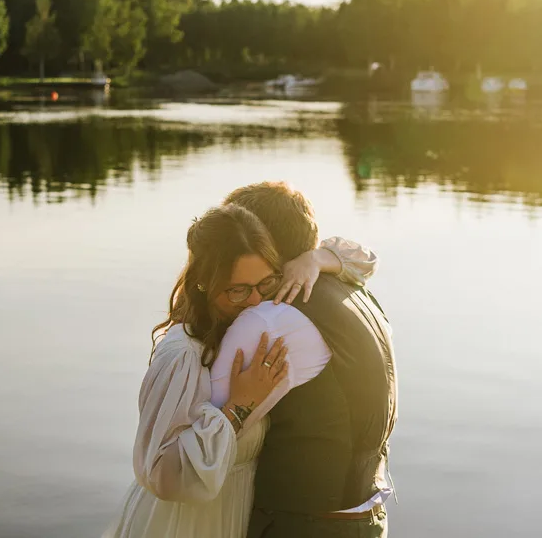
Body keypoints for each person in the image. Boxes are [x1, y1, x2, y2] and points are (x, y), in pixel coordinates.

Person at [103, 202, 377, 538]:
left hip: (233, 513)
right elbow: (161, 475)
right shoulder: (183, 353)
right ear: (203, 283)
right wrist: (238, 407)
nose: (254, 301)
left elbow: (364, 260)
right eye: (238, 290)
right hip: (184, 524)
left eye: (265, 284)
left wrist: (314, 259)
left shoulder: (240, 334)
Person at [212, 182, 398, 538]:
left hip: (300, 523)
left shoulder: (267, 320)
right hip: (367, 517)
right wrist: (318, 258)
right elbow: (365, 256)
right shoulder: (354, 289)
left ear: (256, 243)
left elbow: (205, 426)